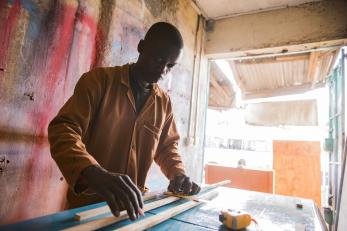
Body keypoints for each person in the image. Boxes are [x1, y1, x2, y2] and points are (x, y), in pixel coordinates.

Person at [48, 22, 200, 221]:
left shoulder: (164, 103)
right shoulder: (98, 82)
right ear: (141, 47)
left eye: (170, 66)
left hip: (133, 209)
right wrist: (93, 172)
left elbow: (166, 147)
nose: (163, 70)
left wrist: (177, 174)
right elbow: (63, 129)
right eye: (158, 59)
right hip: (88, 209)